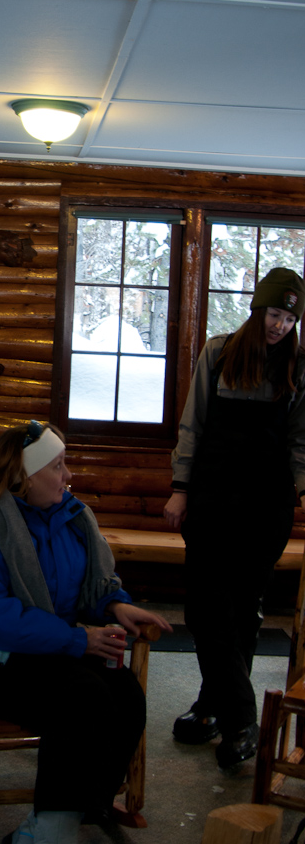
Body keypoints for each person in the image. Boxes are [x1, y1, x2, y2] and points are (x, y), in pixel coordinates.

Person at [0, 420, 172, 844]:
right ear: (24, 475)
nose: (68, 476)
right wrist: (77, 639)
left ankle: (86, 802)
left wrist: (114, 605)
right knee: (82, 697)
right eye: (58, 466)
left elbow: (83, 588)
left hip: (54, 648)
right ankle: (48, 830)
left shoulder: (69, 517)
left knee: (126, 696)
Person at [164, 266, 305, 769]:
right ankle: (243, 717)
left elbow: (300, 442)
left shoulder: (298, 365)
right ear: (257, 309)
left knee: (244, 609)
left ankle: (212, 707)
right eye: (274, 314)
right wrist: (180, 489)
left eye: (290, 319)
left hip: (266, 505)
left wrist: (299, 490)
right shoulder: (219, 352)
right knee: (205, 608)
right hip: (212, 499)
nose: (280, 327)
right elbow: (192, 423)